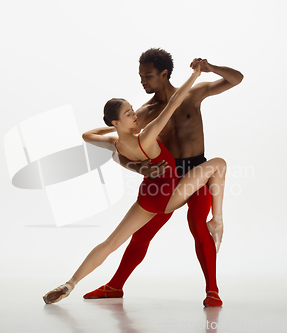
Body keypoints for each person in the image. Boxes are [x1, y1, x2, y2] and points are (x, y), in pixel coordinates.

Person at [43, 60, 227, 305]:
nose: (134, 114)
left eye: (132, 110)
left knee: (110, 243)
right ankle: (218, 221)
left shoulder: (116, 142)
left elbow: (87, 135)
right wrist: (194, 76)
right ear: (118, 122)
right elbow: (174, 103)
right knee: (220, 163)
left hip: (147, 197)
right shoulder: (148, 135)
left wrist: (119, 135)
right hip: (170, 195)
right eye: (129, 114)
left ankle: (69, 284)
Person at [83, 48, 243, 307]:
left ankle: (212, 291)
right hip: (167, 177)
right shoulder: (145, 112)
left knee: (198, 225)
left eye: (147, 76)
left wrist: (210, 67)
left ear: (164, 73)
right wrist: (137, 168)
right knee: (142, 234)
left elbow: (237, 79)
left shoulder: (192, 94)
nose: (142, 81)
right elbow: (120, 144)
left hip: (198, 171)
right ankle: (114, 286)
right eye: (140, 76)